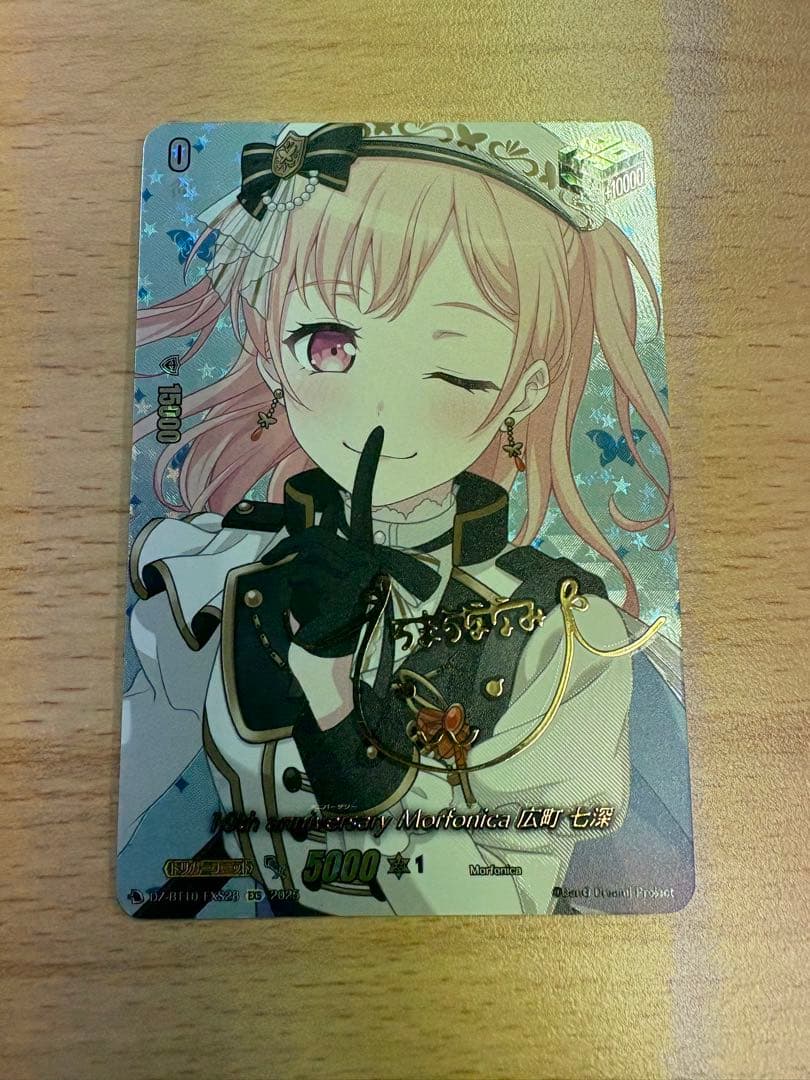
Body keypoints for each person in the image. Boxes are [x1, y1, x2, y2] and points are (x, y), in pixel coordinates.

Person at [119, 122, 689, 916]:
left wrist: (336, 704)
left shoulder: (562, 631)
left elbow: (508, 897)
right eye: (329, 344)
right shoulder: (217, 569)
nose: (378, 407)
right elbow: (121, 782)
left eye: (452, 368)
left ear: (523, 389)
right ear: (272, 346)